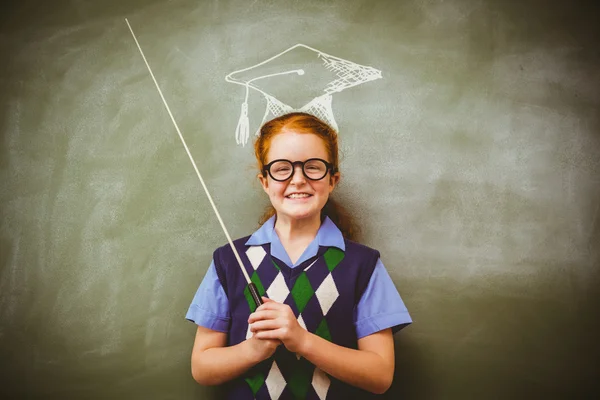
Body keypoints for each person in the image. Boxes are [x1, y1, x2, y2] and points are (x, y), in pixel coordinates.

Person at [186, 112, 412, 399]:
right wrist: (254, 349)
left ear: (333, 179)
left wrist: (302, 340)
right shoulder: (229, 261)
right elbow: (202, 369)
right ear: (265, 181)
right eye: (282, 169)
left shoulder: (363, 265)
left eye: (313, 167)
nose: (298, 180)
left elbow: (379, 375)